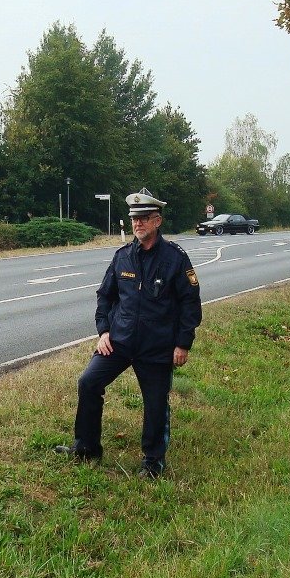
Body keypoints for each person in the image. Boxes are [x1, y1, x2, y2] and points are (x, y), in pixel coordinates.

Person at [55, 188, 202, 478]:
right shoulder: (122, 256)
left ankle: (152, 461)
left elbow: (190, 302)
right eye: (135, 219)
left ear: (157, 221)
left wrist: (183, 343)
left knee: (156, 402)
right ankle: (86, 448)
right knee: (88, 382)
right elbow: (105, 296)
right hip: (119, 341)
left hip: (156, 345)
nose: (138, 224)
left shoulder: (175, 259)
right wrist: (104, 331)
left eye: (144, 219)